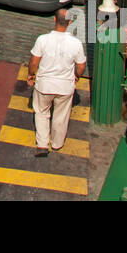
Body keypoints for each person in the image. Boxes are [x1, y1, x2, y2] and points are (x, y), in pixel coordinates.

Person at [25, 8, 86, 158]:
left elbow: (33, 62)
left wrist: (31, 75)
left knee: (41, 112)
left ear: (54, 20)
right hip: (65, 87)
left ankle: (42, 144)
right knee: (61, 115)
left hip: (44, 85)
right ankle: (57, 143)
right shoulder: (76, 43)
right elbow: (81, 66)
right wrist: (76, 76)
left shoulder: (42, 40)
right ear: (70, 23)